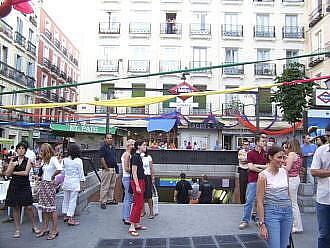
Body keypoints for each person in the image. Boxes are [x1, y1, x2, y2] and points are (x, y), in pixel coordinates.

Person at [256, 145, 293, 248]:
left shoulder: (285, 171)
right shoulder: (263, 176)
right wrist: (262, 224)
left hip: (287, 212)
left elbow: (288, 193)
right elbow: (259, 201)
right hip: (272, 213)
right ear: (270, 157)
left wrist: (291, 210)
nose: (282, 160)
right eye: (279, 157)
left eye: (284, 157)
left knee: (284, 245)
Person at [4, 142, 41, 238]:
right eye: (19, 148)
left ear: (25, 150)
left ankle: (34, 226)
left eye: (23, 148)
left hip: (24, 185)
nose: (21, 150)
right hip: (14, 185)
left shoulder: (28, 160)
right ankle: (17, 229)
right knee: (15, 207)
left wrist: (14, 172)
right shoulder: (13, 160)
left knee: (29, 207)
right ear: (16, 150)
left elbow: (26, 173)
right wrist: (12, 166)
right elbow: (7, 174)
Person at [239, 135, 268, 230]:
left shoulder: (265, 153)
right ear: (257, 142)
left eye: (265, 141)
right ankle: (245, 220)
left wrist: (257, 166)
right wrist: (262, 169)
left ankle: (258, 218)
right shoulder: (250, 153)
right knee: (249, 200)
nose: (264, 142)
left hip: (263, 180)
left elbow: (268, 166)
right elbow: (250, 167)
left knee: (260, 201)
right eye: (262, 141)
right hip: (253, 179)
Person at [36, 143, 62, 240]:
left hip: (49, 184)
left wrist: (52, 176)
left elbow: (59, 168)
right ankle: (45, 228)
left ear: (46, 151)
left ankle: (55, 229)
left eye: (42, 151)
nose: (41, 152)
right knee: (44, 208)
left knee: (51, 208)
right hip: (43, 183)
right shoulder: (45, 161)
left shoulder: (53, 159)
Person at [311, 123, 330, 248]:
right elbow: (313, 171)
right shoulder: (321, 150)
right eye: (328, 136)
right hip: (324, 199)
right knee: (324, 234)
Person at [61, 144, 85, 226]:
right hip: (74, 183)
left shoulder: (65, 160)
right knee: (72, 201)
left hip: (66, 182)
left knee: (66, 199)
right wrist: (82, 183)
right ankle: (71, 218)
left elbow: (62, 172)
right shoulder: (78, 161)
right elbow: (81, 173)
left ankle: (65, 215)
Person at [283, 139, 303, 233]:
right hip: (296, 178)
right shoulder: (298, 155)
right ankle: (296, 225)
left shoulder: (292, 154)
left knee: (293, 204)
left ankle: (296, 226)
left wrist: (278, 164)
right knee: (294, 203)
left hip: (291, 179)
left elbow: (287, 168)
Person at [128, 140, 147, 237]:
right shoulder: (135, 157)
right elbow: (134, 172)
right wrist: (137, 185)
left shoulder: (137, 156)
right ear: (138, 146)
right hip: (137, 182)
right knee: (137, 203)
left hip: (140, 181)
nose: (145, 146)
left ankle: (136, 223)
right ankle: (132, 226)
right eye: (144, 145)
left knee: (139, 203)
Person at [99, 134, 118, 209]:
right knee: (105, 186)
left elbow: (114, 157)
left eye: (111, 138)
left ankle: (109, 199)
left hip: (113, 168)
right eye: (108, 138)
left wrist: (116, 169)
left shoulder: (113, 147)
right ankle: (103, 201)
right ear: (105, 139)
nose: (110, 139)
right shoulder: (103, 148)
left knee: (112, 185)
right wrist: (106, 168)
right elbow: (102, 158)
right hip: (107, 169)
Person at [121, 139, 134, 225]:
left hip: (125, 177)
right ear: (129, 146)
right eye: (132, 145)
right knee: (128, 198)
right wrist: (134, 170)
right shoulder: (127, 155)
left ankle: (125, 216)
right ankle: (127, 218)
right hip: (127, 177)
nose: (133, 146)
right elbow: (126, 168)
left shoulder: (125, 154)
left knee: (127, 198)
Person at [141, 148, 155, 219]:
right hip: (141, 176)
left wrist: (152, 177)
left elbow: (151, 168)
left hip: (147, 176)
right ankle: (143, 211)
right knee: (141, 194)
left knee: (149, 195)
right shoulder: (138, 156)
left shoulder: (148, 157)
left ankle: (151, 212)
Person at [238, 140, 250, 204]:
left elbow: (251, 160)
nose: (246, 146)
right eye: (245, 144)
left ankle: (248, 201)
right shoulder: (240, 151)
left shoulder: (251, 152)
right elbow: (242, 160)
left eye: (247, 144)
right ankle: (242, 202)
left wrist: (247, 159)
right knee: (242, 187)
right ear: (243, 146)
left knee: (250, 186)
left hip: (249, 170)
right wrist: (248, 159)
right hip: (243, 170)